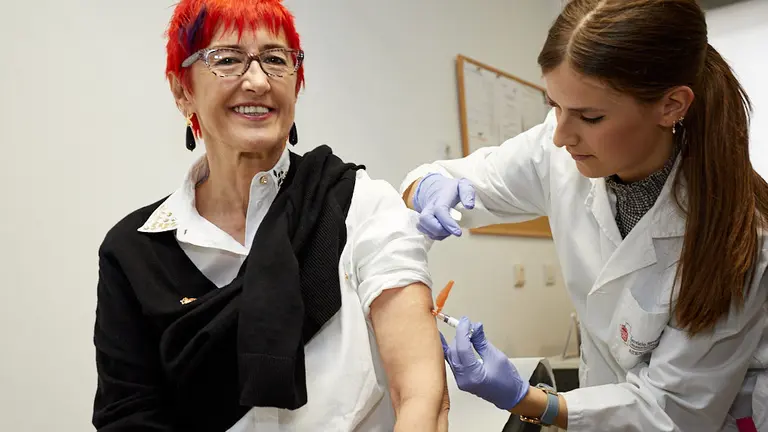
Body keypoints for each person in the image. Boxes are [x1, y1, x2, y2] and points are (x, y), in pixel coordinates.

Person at [401, 0, 768, 431]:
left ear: (671, 106)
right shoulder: (557, 151)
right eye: (553, 105)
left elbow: (673, 411)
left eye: (590, 116)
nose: (560, 136)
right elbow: (437, 177)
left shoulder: (738, 240)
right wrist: (429, 188)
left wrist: (527, 399)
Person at [91, 0, 449, 430]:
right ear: (182, 90)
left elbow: (420, 393)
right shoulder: (135, 249)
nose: (258, 81)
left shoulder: (361, 205)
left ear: (296, 84)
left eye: (276, 60)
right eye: (227, 59)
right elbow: (129, 415)